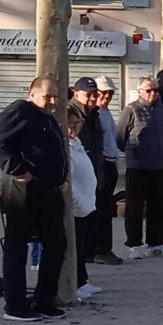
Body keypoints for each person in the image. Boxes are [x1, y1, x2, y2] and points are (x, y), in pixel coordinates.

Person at [0, 77, 69, 322]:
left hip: (50, 190)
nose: (52, 101)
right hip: (23, 189)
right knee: (18, 244)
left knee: (56, 243)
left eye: (56, 96)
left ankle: (44, 300)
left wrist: (62, 177)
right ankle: (15, 304)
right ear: (32, 94)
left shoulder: (48, 118)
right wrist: (18, 169)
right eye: (47, 96)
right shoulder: (21, 110)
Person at [119, 76, 163, 259]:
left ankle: (155, 243)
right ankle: (134, 244)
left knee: (157, 206)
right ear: (140, 91)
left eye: (155, 90)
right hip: (137, 166)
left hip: (158, 166)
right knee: (135, 206)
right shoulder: (131, 109)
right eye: (148, 90)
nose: (152, 94)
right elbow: (120, 137)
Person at [69, 78, 113, 269]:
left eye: (95, 94)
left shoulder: (95, 113)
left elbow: (98, 144)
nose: (92, 98)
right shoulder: (71, 112)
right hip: (75, 176)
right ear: (76, 93)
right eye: (88, 94)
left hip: (93, 171)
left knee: (93, 218)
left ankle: (89, 258)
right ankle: (79, 269)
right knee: (78, 226)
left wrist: (99, 171)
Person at [66, 107, 99, 297]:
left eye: (78, 123)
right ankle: (76, 283)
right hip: (76, 206)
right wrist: (78, 203)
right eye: (71, 123)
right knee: (75, 245)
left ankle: (82, 279)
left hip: (86, 205)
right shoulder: (66, 146)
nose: (75, 127)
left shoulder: (76, 142)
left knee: (82, 245)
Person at [91, 76, 123, 263]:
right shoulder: (93, 114)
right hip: (101, 164)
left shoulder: (106, 113)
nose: (106, 96)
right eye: (103, 92)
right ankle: (100, 249)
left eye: (110, 93)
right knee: (101, 209)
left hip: (110, 162)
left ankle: (102, 248)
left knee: (106, 208)